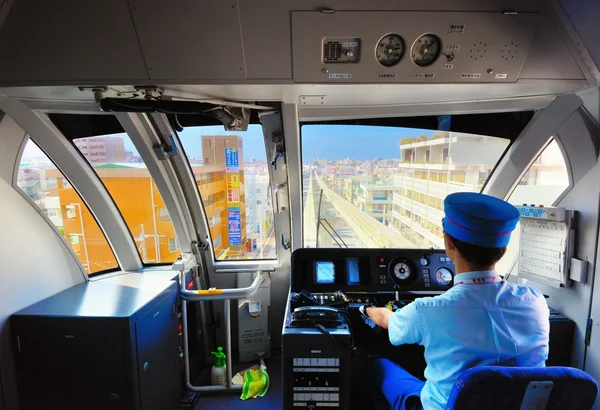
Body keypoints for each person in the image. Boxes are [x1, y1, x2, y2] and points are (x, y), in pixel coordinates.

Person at [362, 192, 550, 410]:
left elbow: (389, 321)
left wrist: (368, 309)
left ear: (449, 242)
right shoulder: (535, 301)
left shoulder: (428, 310)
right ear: (503, 248)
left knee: (378, 367)